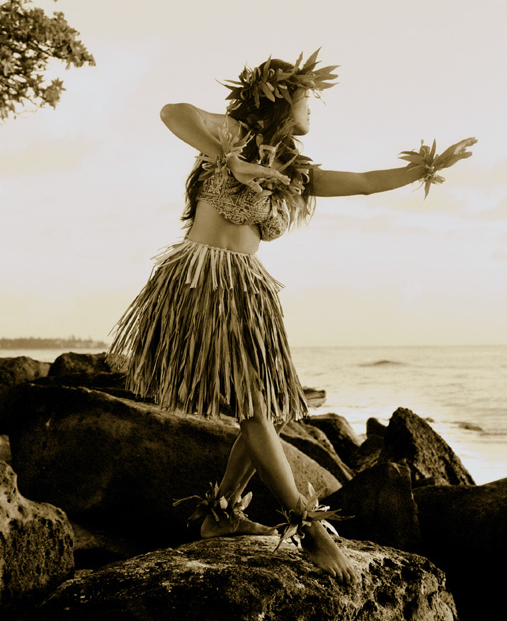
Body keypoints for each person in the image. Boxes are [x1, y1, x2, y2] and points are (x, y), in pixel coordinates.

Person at [108, 50, 476, 583]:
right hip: (204, 281)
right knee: (257, 411)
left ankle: (222, 515)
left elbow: (367, 182)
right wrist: (226, 157)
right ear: (281, 99)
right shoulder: (232, 134)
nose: (313, 110)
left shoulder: (295, 170)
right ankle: (312, 532)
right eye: (309, 98)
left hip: (248, 290)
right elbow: (172, 112)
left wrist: (430, 165)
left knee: (269, 411)